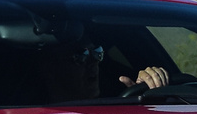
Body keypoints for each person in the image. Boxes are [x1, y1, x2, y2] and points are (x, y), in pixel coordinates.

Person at [34, 40, 170, 102]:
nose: (93, 62)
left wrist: (146, 93)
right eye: (80, 56)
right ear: (50, 70)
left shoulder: (115, 104)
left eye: (97, 53)